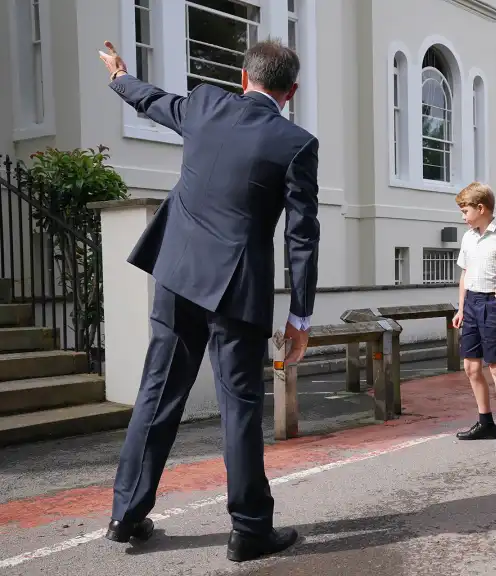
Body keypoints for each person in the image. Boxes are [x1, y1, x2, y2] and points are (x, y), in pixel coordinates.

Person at [98, 39, 318, 561]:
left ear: (244, 79)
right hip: (237, 291)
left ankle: (126, 515)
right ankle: (248, 530)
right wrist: (300, 315)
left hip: (177, 276)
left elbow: (153, 101)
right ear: (292, 91)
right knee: (238, 409)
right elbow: (302, 235)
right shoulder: (295, 142)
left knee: (156, 393)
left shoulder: (204, 104)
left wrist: (119, 78)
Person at [452, 182, 496, 451]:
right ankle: (485, 422)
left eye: (465, 210)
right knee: (471, 367)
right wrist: (460, 307)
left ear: (481, 208)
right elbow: (465, 275)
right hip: (472, 304)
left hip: (493, 304)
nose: (462, 216)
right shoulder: (467, 238)